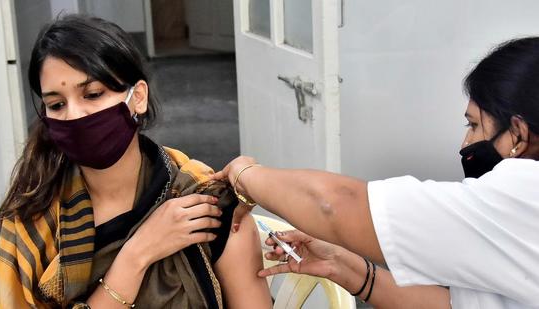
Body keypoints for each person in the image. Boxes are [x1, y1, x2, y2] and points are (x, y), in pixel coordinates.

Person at [212, 36, 539, 308]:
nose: (465, 142)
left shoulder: (522, 195)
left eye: (474, 125)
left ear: (519, 134)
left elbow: (334, 204)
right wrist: (345, 268)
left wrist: (244, 174)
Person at [0, 15, 271, 309]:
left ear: (137, 97)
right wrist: (137, 255)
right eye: (57, 105)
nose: (74, 115)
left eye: (92, 94)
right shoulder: (34, 217)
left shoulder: (204, 200)